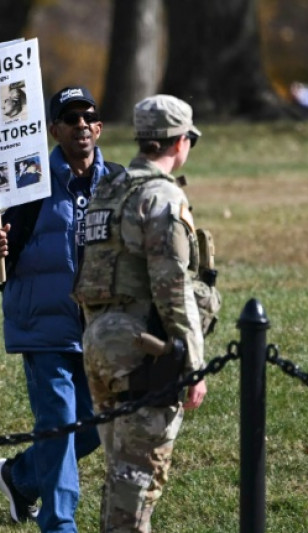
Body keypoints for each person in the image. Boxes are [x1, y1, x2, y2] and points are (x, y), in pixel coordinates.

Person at [73, 95, 222, 533]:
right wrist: (194, 365)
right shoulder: (161, 197)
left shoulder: (108, 189)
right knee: (138, 483)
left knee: (120, 475)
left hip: (99, 344)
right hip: (144, 353)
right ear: (179, 142)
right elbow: (171, 285)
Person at [0, 86, 122, 532]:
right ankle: (60, 526)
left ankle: (20, 478)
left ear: (98, 127)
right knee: (59, 422)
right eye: (69, 118)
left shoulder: (118, 182)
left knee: (95, 427)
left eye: (87, 117)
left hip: (99, 329)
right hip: (45, 327)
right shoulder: (27, 182)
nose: (80, 125)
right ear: (53, 129)